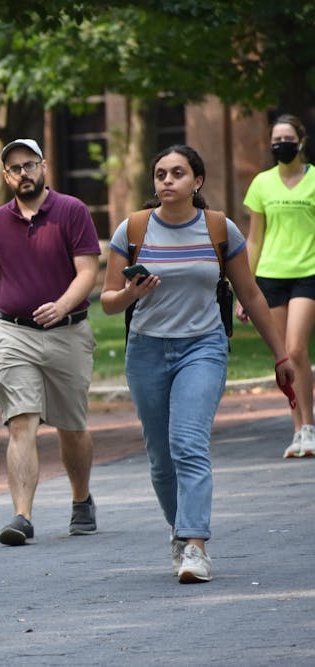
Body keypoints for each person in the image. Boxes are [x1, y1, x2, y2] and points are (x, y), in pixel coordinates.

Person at [100, 144, 295, 584]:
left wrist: (280, 354)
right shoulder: (132, 229)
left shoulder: (217, 229)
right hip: (146, 350)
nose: (166, 181)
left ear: (197, 182)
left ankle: (195, 545)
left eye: (177, 174)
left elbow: (252, 296)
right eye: (160, 174)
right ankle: (180, 532)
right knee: (160, 459)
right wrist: (133, 293)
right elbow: (109, 301)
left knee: (187, 442)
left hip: (202, 348)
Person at [0, 138, 101, 547]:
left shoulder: (72, 211)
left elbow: (88, 272)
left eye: (29, 165)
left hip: (68, 332)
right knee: (21, 422)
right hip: (14, 334)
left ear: (44, 166)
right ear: (5, 176)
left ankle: (81, 499)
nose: (23, 173)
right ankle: (22, 516)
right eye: (14, 168)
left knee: (71, 426)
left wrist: (61, 306)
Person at [238, 114, 315, 458]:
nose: (280, 143)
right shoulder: (262, 184)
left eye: (286, 137)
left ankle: (310, 426)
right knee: (282, 355)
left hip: (308, 272)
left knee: (297, 349)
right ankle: (296, 429)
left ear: (301, 141)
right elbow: (254, 240)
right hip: (271, 275)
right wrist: (245, 288)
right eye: (275, 139)